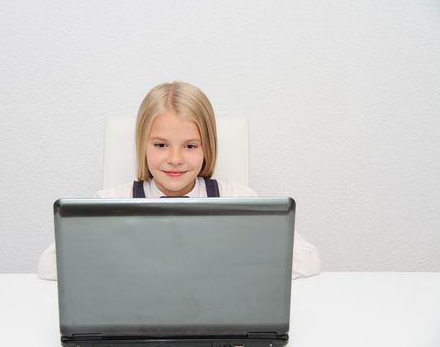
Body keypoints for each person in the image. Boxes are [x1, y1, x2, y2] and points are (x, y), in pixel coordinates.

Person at [38, 81, 321, 280]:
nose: (175, 159)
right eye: (161, 145)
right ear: (142, 146)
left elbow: (309, 258)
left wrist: (233, 259)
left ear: (207, 147)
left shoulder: (237, 197)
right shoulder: (109, 202)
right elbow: (48, 266)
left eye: (190, 146)